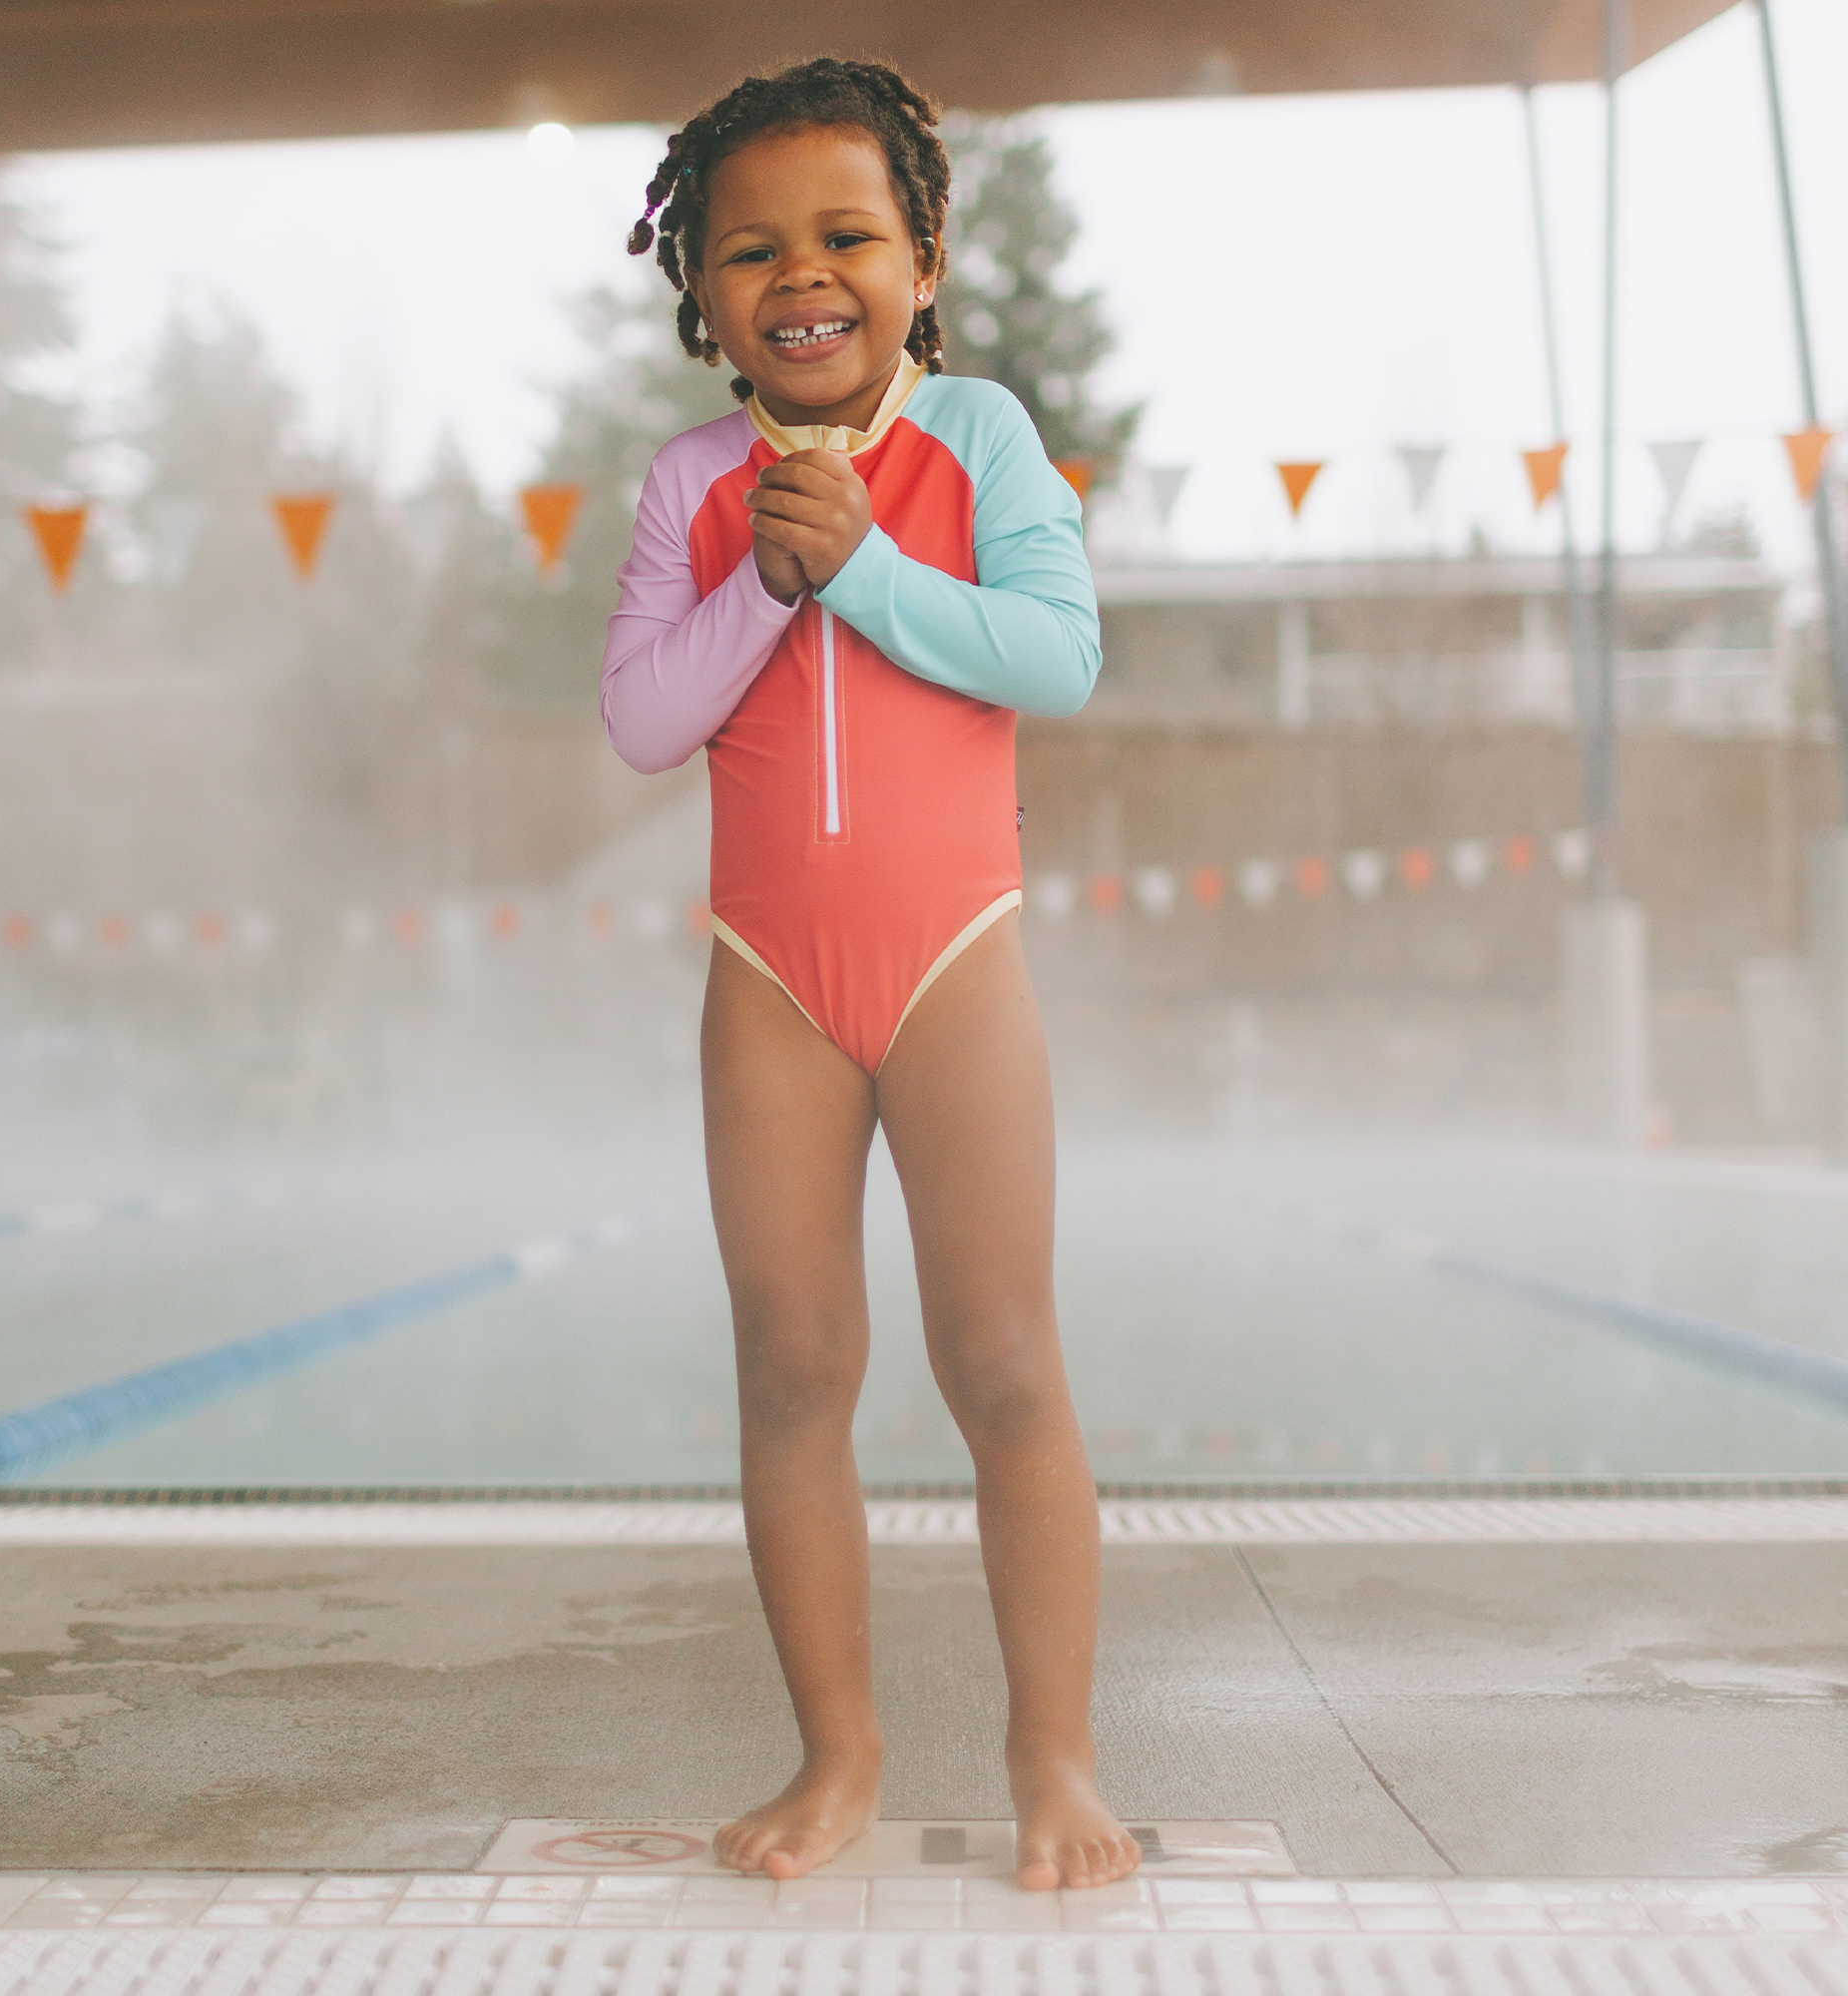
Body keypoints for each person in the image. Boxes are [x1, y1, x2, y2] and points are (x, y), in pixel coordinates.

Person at [600, 56, 1138, 1894]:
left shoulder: (979, 439)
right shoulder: (692, 481)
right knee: (791, 1370)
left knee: (1002, 1363)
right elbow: (641, 723)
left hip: (954, 961)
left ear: (921, 254)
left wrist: (868, 571)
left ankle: (1054, 1758)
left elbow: (1056, 659)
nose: (800, 273)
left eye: (845, 233)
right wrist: (765, 575)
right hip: (771, 977)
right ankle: (834, 1757)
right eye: (749, 249)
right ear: (704, 294)